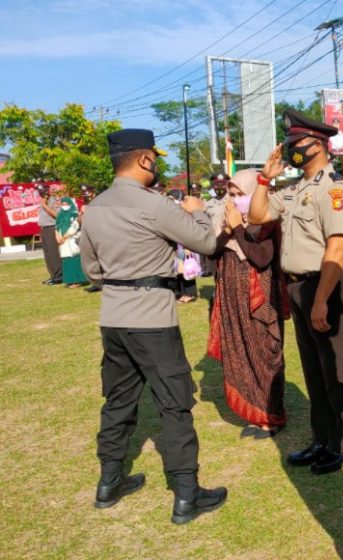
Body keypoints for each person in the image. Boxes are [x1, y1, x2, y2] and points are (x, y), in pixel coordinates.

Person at [79, 129, 226, 525]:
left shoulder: (94, 208)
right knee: (175, 404)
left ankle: (109, 482)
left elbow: (92, 271)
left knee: (118, 400)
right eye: (155, 159)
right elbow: (206, 243)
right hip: (153, 318)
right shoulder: (155, 205)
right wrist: (196, 209)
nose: (156, 165)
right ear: (144, 160)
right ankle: (186, 494)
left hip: (113, 316)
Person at [248, 110, 343, 476]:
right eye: (289, 144)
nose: (292, 150)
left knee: (336, 367)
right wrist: (265, 177)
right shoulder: (294, 189)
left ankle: (342, 445)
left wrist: (322, 300)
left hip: (325, 284)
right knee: (313, 370)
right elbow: (258, 216)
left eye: (297, 144)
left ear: (318, 145)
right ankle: (321, 439)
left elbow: (337, 248)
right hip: (297, 286)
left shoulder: (334, 189)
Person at [207, 169, 286, 438]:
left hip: (260, 302)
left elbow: (260, 258)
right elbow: (212, 254)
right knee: (240, 354)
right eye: (231, 194)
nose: (235, 200)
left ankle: (271, 417)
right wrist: (227, 230)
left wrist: (239, 229)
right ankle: (254, 414)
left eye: (241, 195)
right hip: (232, 301)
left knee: (265, 354)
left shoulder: (266, 222)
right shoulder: (226, 221)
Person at [167, 189, 200, 304]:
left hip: (184, 245)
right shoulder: (170, 212)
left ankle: (189, 294)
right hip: (174, 244)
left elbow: (187, 230)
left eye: (171, 199)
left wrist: (187, 247)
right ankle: (178, 293)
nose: (169, 201)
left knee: (187, 268)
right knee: (176, 269)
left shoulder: (184, 212)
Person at [55, 197, 88, 288]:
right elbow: (57, 226)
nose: (64, 206)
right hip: (63, 241)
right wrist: (57, 236)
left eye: (66, 204)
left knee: (74, 259)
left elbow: (75, 226)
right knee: (66, 259)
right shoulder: (60, 215)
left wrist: (65, 236)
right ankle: (70, 280)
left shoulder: (74, 214)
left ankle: (78, 280)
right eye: (63, 204)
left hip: (72, 239)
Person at [37, 183, 63, 285]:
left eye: (43, 191)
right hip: (44, 229)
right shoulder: (42, 201)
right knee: (47, 255)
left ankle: (59, 276)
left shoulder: (54, 201)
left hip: (52, 228)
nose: (42, 193)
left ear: (48, 190)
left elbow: (57, 215)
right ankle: (52, 275)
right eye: (40, 192)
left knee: (54, 253)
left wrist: (44, 205)